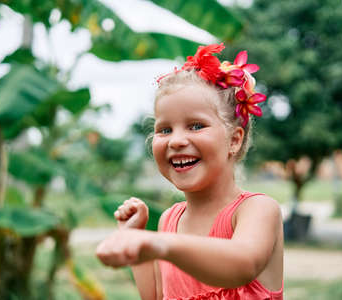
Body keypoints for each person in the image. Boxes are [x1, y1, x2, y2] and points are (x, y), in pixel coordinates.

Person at [96, 43, 284, 300]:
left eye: (195, 125)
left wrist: (160, 245)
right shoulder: (169, 221)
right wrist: (134, 235)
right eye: (164, 130)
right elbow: (155, 296)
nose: (175, 141)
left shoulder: (257, 210)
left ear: (234, 140)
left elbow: (243, 265)